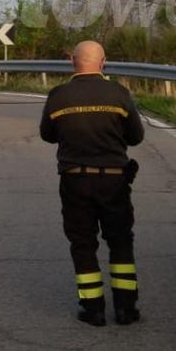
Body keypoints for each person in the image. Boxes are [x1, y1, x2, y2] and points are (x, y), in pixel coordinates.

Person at [40, 40, 145, 326]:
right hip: (114, 181)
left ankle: (93, 308)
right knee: (120, 241)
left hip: (74, 181)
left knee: (83, 242)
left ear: (72, 62)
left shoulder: (58, 96)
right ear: (103, 62)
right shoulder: (119, 94)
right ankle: (126, 308)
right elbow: (136, 137)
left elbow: (47, 135)